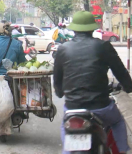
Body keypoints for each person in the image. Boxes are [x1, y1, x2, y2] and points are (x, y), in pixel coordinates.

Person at [54, 11, 132, 154]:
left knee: (65, 127)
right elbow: (120, 72)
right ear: (92, 28)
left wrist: (59, 92)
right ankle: (122, 151)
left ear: (74, 29)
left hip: (73, 108)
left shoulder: (63, 49)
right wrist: (128, 87)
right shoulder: (104, 46)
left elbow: (57, 79)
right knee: (118, 121)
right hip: (101, 107)